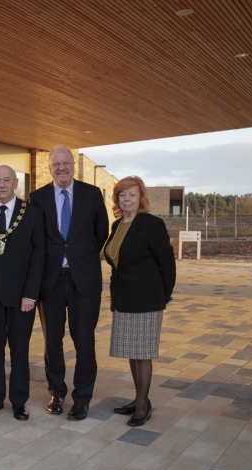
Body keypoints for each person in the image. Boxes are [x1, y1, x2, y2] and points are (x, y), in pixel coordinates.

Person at [29, 146, 109, 421]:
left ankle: (83, 398)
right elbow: (35, 238)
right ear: (49, 167)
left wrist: (79, 257)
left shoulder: (91, 194)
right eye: (56, 164)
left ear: (73, 165)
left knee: (84, 340)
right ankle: (57, 391)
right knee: (53, 341)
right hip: (50, 281)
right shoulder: (37, 198)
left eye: (65, 163)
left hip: (83, 281)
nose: (61, 168)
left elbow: (101, 233)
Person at [0, 165, 45, 421]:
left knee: (19, 350)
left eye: (7, 180)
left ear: (16, 183)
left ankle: (18, 401)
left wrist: (31, 294)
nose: (2, 185)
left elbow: (39, 257)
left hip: (21, 297)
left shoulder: (33, 214)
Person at [106, 176, 175, 426]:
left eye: (132, 195)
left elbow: (167, 264)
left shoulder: (151, 224)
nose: (127, 199)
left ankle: (143, 405)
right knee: (132, 352)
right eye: (122, 195)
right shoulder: (116, 226)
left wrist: (162, 297)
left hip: (146, 299)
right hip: (124, 298)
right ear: (117, 199)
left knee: (143, 353)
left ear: (141, 198)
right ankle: (138, 398)